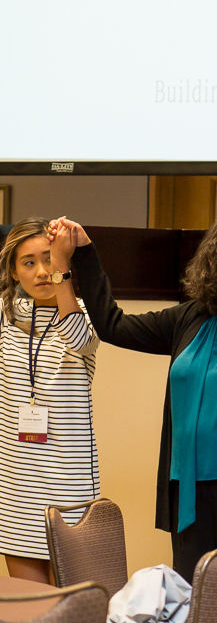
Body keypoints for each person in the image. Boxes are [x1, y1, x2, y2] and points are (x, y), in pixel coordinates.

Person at [54, 184, 217, 623]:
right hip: (190, 497)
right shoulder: (191, 318)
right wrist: (84, 253)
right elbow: (112, 326)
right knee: (192, 610)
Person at [0, 218, 100, 583]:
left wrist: (64, 269)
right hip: (16, 488)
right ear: (14, 271)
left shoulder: (82, 313)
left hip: (69, 486)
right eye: (29, 263)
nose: (42, 271)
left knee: (70, 606)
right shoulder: (6, 315)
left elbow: (79, 340)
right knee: (30, 605)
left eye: (49, 259)